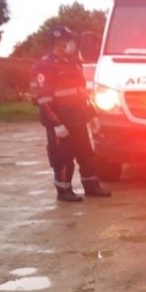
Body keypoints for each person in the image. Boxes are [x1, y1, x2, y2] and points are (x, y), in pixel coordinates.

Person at [32, 25, 111, 202]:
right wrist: (56, 123)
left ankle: (91, 186)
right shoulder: (45, 65)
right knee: (63, 157)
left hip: (78, 118)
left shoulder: (74, 63)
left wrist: (92, 115)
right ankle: (64, 191)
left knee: (87, 154)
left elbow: (82, 92)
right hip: (60, 121)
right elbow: (44, 100)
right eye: (69, 41)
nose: (72, 44)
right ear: (58, 43)